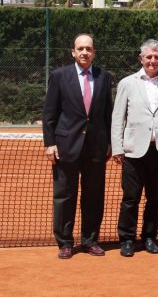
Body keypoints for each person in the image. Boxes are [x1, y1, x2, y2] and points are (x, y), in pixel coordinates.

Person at [42, 33, 113, 259]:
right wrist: (50, 143)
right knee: (64, 196)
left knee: (94, 195)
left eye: (88, 49)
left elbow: (107, 114)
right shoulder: (59, 76)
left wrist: (110, 142)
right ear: (73, 51)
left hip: (95, 149)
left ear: (94, 52)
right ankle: (64, 242)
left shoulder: (104, 77)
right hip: (65, 147)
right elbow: (49, 114)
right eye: (80, 48)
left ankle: (90, 240)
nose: (84, 52)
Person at [111, 39, 158, 257]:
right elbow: (117, 117)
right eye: (149, 57)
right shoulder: (127, 83)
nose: (153, 61)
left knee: (156, 197)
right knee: (131, 197)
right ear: (141, 59)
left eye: (157, 57)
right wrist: (117, 147)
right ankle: (127, 239)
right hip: (133, 150)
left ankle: (149, 236)